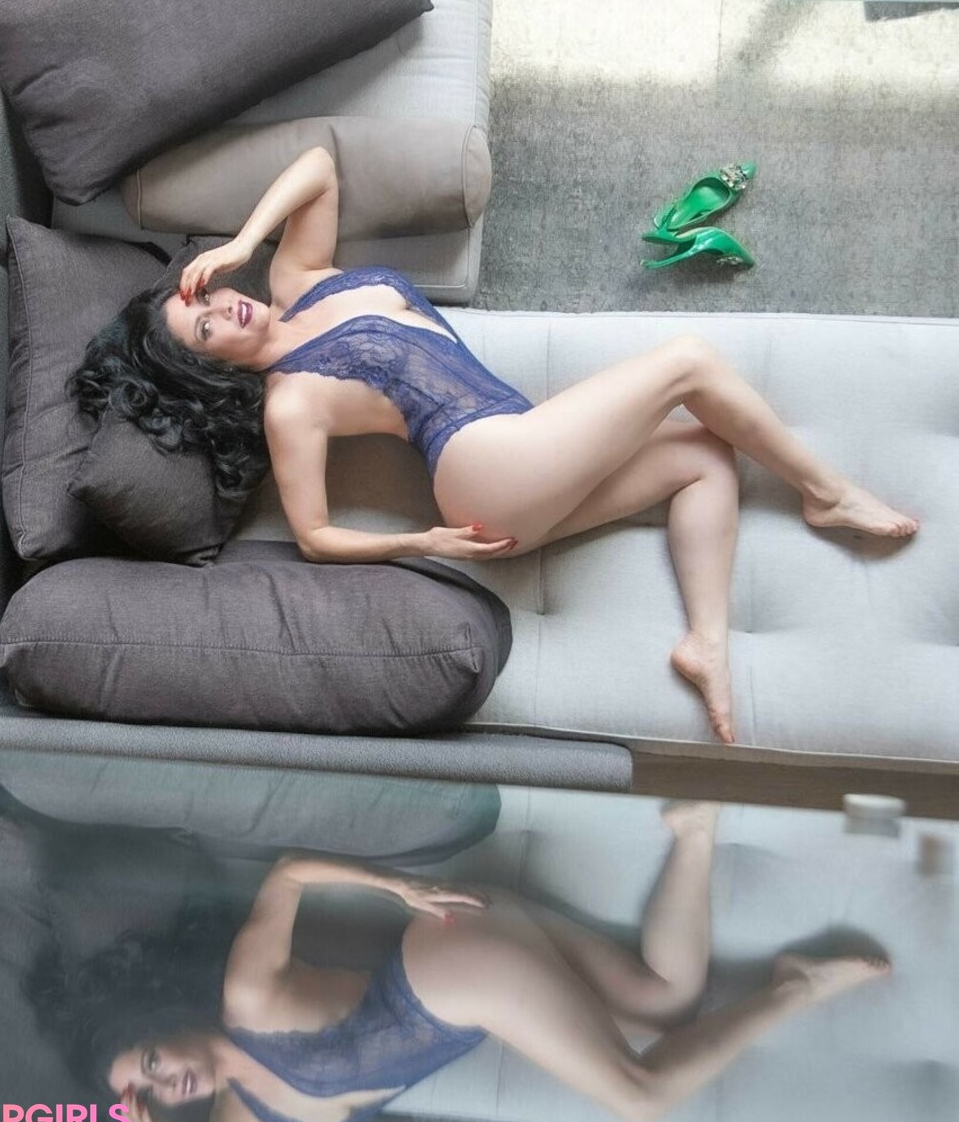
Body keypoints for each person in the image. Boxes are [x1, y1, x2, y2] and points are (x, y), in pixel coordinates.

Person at [73, 148, 918, 744]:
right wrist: (424, 540)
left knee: (702, 456)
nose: (224, 309)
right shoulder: (290, 402)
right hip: (482, 469)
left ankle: (705, 641)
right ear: (211, 365)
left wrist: (242, 241)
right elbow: (314, 535)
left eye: (206, 298)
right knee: (689, 362)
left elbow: (320, 166)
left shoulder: (296, 278)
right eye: (205, 331)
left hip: (515, 447)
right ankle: (826, 491)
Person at [40, 802, 888, 1122]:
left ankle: (795, 988)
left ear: (158, 1023)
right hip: (467, 969)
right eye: (148, 1095)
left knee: (640, 1097)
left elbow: (287, 872)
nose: (166, 1083)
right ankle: (696, 832)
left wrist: (394, 886)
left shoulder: (247, 998)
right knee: (663, 1001)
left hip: (445, 964)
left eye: (149, 1060)